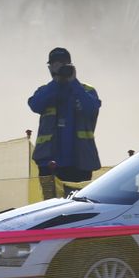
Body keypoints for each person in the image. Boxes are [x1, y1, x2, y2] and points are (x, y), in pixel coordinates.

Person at [27, 47, 101, 199]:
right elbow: (35, 105)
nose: (59, 68)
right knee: (49, 207)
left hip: (80, 162)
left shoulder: (86, 90)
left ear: (70, 65)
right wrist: (55, 82)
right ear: (49, 68)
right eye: (54, 65)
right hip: (49, 163)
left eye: (63, 64)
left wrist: (73, 82)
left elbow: (91, 109)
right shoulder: (45, 90)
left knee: (78, 207)